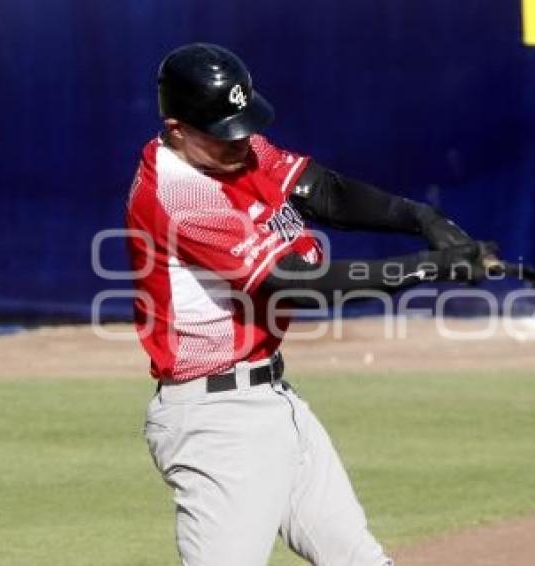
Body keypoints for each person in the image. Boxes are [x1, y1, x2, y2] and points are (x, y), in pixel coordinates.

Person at [126, 42, 496, 566]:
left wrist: (421, 218)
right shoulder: (181, 195)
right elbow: (302, 283)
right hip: (216, 421)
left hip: (274, 399)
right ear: (177, 129)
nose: (241, 143)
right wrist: (428, 267)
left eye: (243, 125)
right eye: (223, 132)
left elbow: (321, 190)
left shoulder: (237, 148)